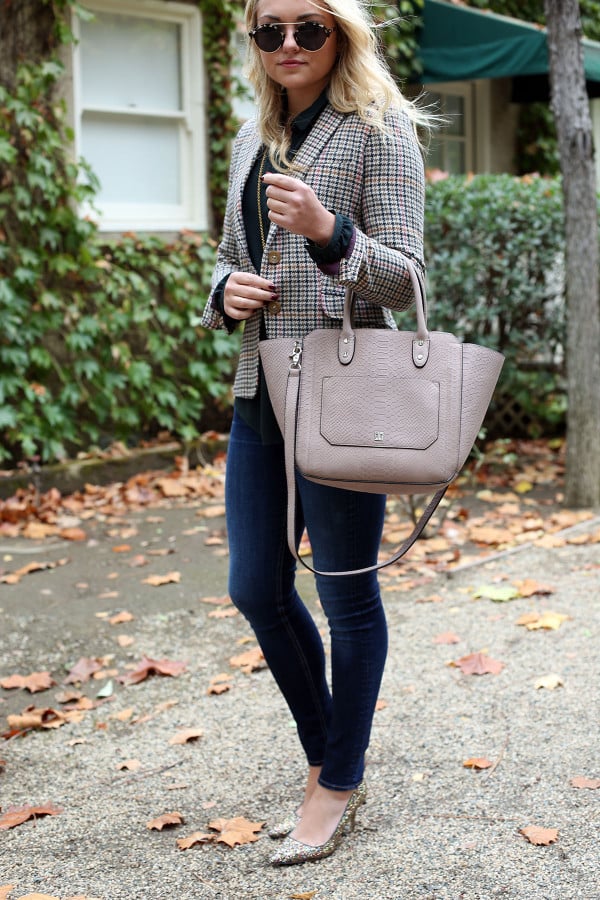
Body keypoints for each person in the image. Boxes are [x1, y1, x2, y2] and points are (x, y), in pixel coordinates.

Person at [201, 0, 428, 867]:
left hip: (344, 391)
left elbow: (405, 278)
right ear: (255, 41)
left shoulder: (380, 130)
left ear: (343, 35)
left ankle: (335, 779)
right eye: (271, 31)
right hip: (262, 392)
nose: (289, 45)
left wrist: (331, 236)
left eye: (310, 28)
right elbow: (228, 255)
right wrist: (224, 293)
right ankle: (337, 746)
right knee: (256, 585)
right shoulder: (248, 140)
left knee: (345, 594)